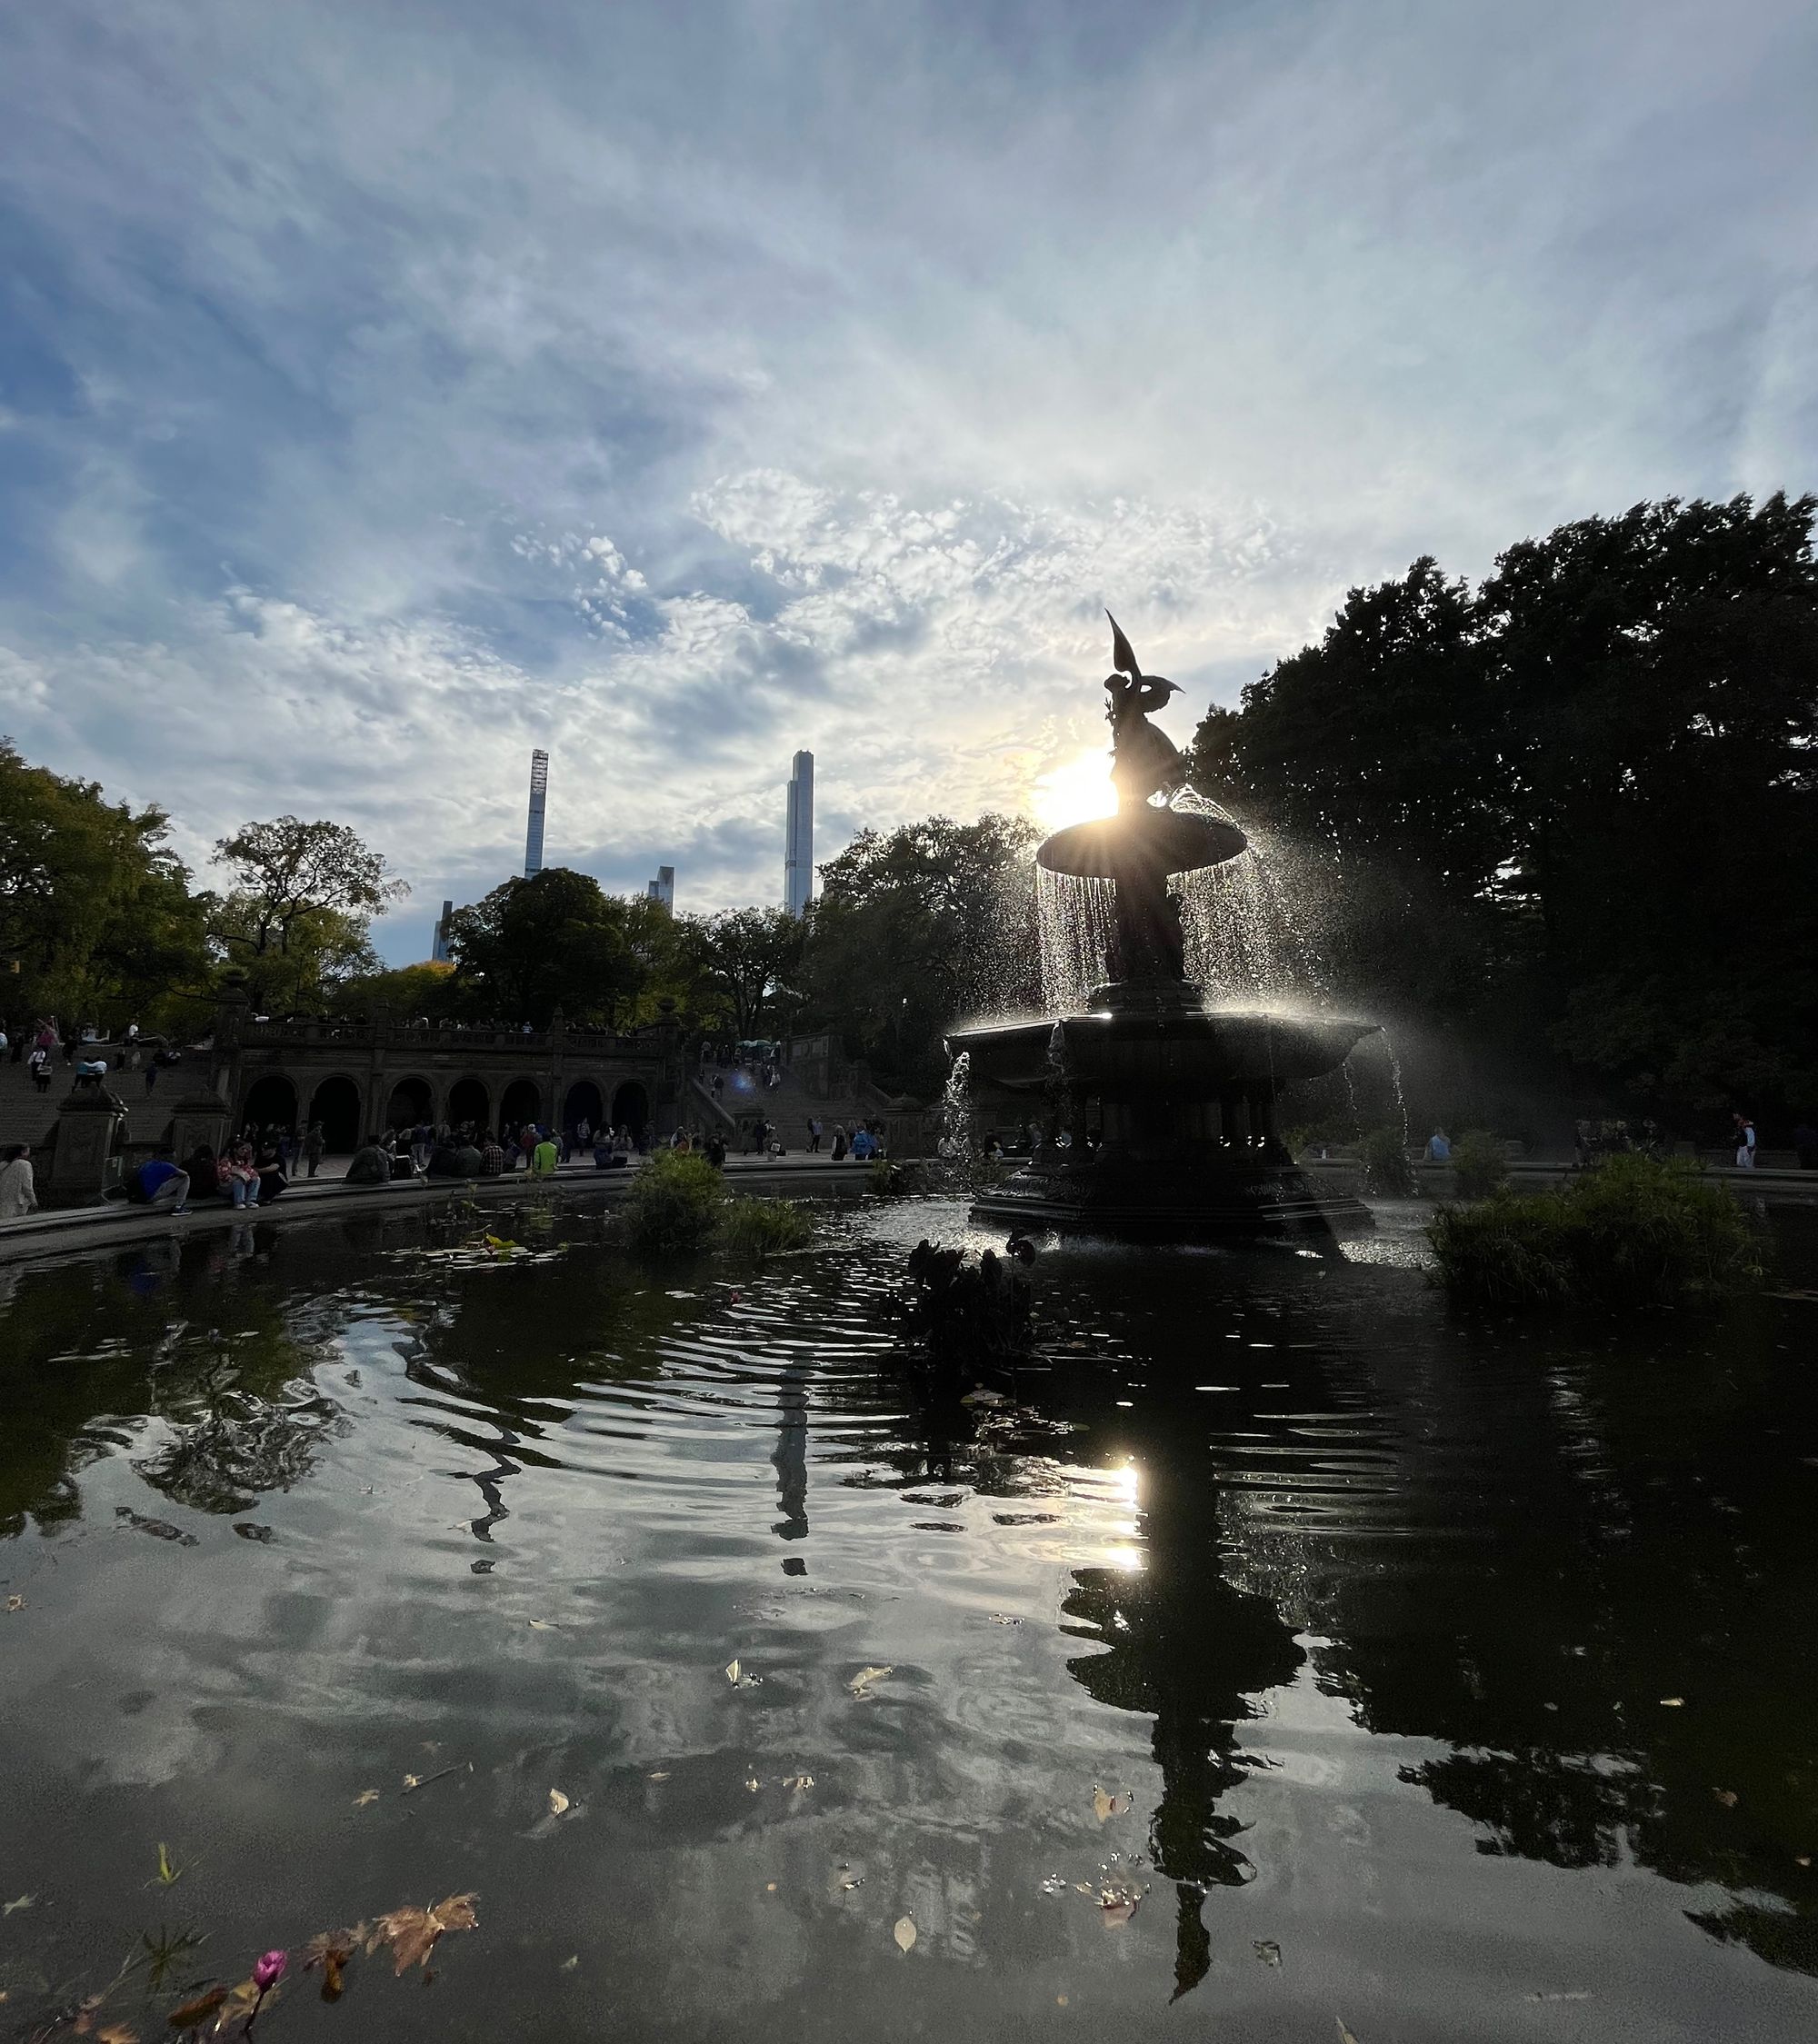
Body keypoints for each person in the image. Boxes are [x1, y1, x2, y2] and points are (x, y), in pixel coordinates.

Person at [126, 1148, 190, 1211]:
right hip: (148, 1198)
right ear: (167, 1157)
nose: (173, 1160)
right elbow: (184, 1174)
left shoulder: (147, 1164)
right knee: (185, 1178)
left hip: (135, 1198)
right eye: (172, 1157)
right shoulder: (167, 1166)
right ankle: (179, 1205)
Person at [0, 1143, 37, 1220]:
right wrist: (33, 1200)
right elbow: (27, 1186)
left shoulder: (2, 1165)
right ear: (23, 1152)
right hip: (17, 1202)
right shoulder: (25, 1164)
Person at [217, 1143, 261, 1209]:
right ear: (235, 1150)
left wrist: (251, 1176)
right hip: (226, 1186)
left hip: (240, 1185)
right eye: (242, 1149)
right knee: (238, 1180)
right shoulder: (226, 1160)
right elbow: (223, 1175)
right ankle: (239, 1202)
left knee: (257, 1179)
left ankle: (250, 1200)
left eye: (246, 1149)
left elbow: (251, 1171)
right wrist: (236, 1176)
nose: (245, 1151)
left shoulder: (242, 1161)